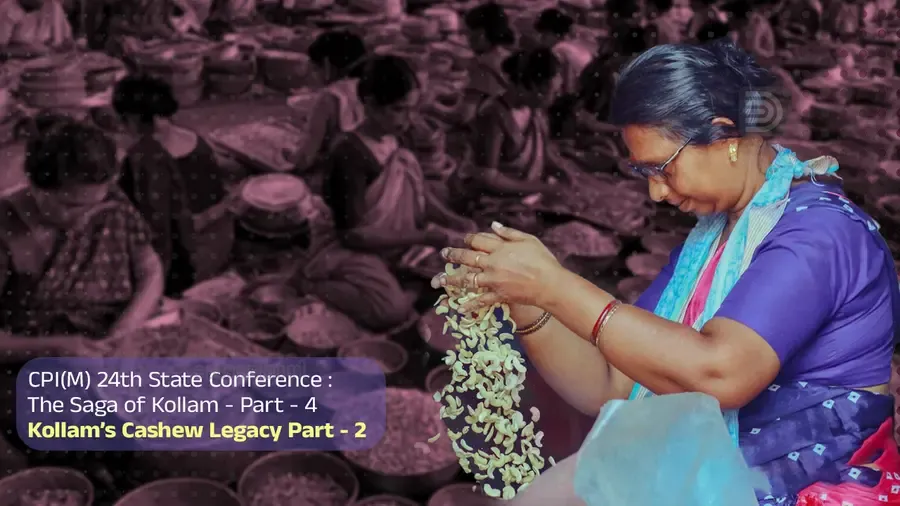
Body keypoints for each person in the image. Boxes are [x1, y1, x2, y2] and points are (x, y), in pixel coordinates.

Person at [433, 39, 900, 504]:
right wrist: (529, 304)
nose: (656, 193)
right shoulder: (710, 242)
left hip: (813, 490)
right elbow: (613, 384)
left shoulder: (822, 233)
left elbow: (721, 373)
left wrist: (556, 285)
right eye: (644, 173)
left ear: (724, 135)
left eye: (662, 168)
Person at [0, 116, 163, 347]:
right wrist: (53, 348)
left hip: (114, 340)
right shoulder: (5, 228)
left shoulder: (111, 202)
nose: (87, 215)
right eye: (70, 205)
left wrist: (125, 328)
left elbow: (150, 270)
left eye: (96, 203)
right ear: (35, 186)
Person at [321, 55, 472, 266]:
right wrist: (424, 237)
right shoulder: (349, 153)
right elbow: (353, 236)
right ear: (371, 104)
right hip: (365, 249)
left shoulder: (399, 135)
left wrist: (452, 220)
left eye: (412, 109)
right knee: (391, 299)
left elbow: (419, 193)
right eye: (399, 109)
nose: (409, 119)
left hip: (401, 239)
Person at [114, 74, 226, 295]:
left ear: (133, 118)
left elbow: (153, 225)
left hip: (183, 257)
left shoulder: (144, 159)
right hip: (218, 243)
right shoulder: (194, 140)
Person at [448, 48, 580, 232]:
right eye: (553, 91)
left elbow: (544, 153)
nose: (557, 96)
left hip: (526, 196)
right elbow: (488, 177)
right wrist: (542, 187)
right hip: (495, 202)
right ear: (533, 87)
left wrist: (560, 170)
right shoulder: (493, 115)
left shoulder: (535, 111)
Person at [287, 30, 367, 192]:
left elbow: (304, 160)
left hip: (345, 184)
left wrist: (288, 154)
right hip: (376, 175)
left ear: (327, 65)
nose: (313, 75)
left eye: (315, 69)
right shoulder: (371, 86)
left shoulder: (329, 98)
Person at [458, 3, 516, 123]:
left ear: (481, 34)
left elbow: (465, 117)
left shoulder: (483, 67)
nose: (466, 38)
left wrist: (433, 108)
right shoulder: (508, 56)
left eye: (468, 33)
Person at [533, 9, 593, 96]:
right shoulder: (576, 44)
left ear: (555, 32)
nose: (540, 39)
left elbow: (566, 85)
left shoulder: (559, 50)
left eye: (544, 34)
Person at [0, 0, 73, 57]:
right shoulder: (8, 10)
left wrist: (62, 46)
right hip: (16, 66)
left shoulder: (53, 6)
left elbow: (67, 41)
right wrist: (27, 51)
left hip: (48, 63)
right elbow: (1, 50)